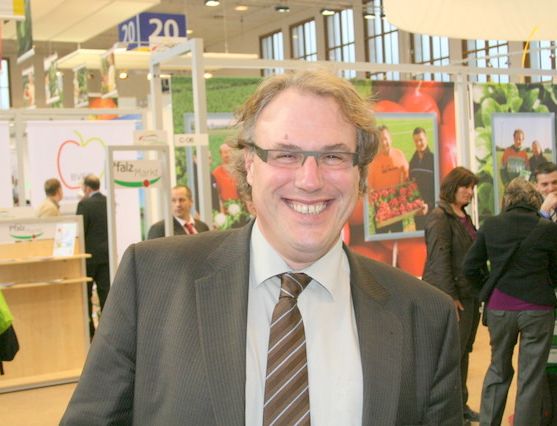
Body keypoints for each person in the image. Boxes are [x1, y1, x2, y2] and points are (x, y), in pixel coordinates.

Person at [61, 68, 462, 425]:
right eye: (286, 154)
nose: (309, 179)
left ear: (360, 171)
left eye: (333, 155)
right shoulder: (152, 280)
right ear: (250, 165)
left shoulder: (425, 316)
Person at [463, 178, 557, 425]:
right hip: (538, 308)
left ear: (506, 199)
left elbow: (470, 267)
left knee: (498, 368)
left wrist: (489, 287)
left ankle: (489, 422)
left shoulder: (491, 225)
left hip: (500, 307)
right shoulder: (547, 227)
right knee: (531, 377)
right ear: (534, 199)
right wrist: (540, 286)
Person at [421, 166, 480, 424]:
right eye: (465, 186)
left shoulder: (462, 215)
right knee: (450, 358)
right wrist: (450, 298)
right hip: (452, 297)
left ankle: (461, 407)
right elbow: (439, 260)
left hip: (468, 295)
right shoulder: (440, 217)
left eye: (472, 187)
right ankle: (452, 414)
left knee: (463, 353)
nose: (469, 192)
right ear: (452, 186)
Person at [76, 175, 110, 338]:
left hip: (88, 258)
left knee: (86, 295)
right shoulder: (108, 202)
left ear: (87, 188)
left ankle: (90, 333)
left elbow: (80, 231)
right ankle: (108, 331)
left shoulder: (84, 204)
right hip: (106, 256)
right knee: (106, 295)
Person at [367, 125, 409, 234]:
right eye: (380, 140)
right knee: (381, 238)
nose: (384, 142)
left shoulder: (399, 154)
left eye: (385, 139)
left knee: (397, 237)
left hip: (396, 204)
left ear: (390, 139)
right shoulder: (373, 161)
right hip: (381, 206)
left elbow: (407, 176)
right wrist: (373, 204)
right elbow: (369, 186)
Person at [408, 127, 435, 231]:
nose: (419, 143)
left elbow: (437, 188)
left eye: (421, 140)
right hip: (418, 212)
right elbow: (411, 186)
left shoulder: (433, 160)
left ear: (426, 138)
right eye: (416, 141)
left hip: (431, 211)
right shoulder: (412, 162)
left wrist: (429, 205)